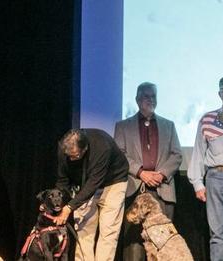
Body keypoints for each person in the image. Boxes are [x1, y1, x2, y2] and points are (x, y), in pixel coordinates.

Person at [114, 82, 183, 261]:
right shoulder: (123, 126)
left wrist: (160, 175)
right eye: (146, 96)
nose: (151, 100)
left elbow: (177, 155)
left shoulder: (169, 125)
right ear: (137, 100)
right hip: (135, 190)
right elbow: (119, 156)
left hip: (162, 190)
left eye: (153, 96)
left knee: (163, 248)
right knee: (134, 248)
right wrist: (141, 173)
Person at [54, 128, 129, 261]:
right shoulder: (64, 149)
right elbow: (62, 180)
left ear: (85, 148)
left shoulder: (102, 146)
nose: (71, 159)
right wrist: (60, 203)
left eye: (75, 156)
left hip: (113, 182)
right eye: (68, 156)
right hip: (85, 183)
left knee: (108, 231)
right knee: (84, 230)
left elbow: (94, 183)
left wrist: (70, 207)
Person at [187, 75, 223, 261]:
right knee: (218, 234)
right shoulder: (208, 119)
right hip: (217, 177)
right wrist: (197, 183)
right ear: (220, 94)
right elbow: (199, 152)